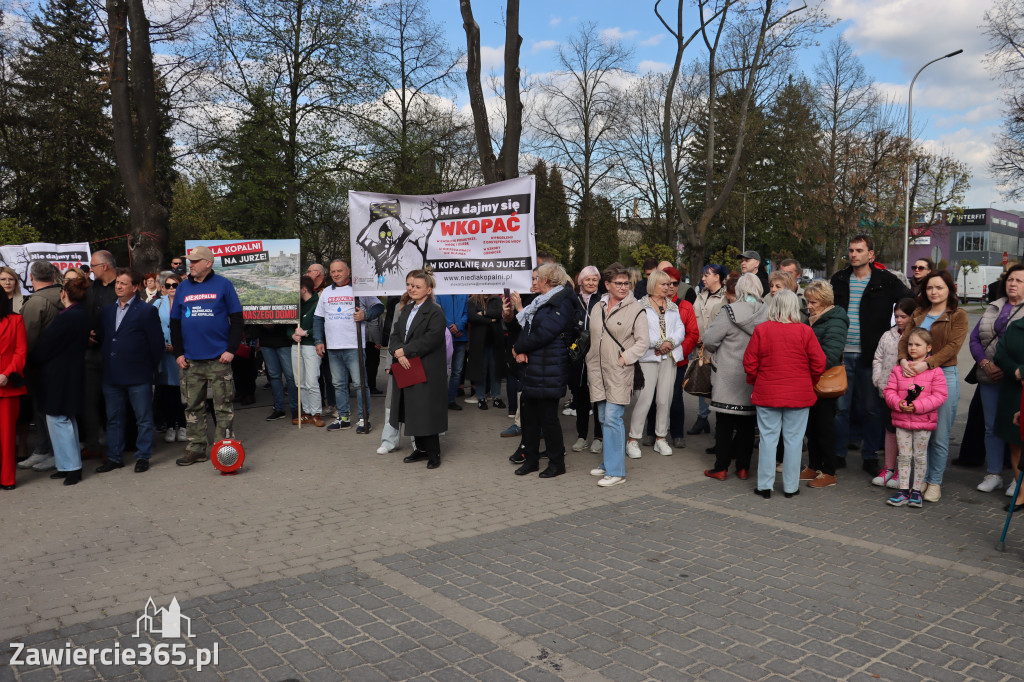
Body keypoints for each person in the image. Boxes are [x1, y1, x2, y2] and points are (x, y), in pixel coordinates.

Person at [831, 234, 912, 476]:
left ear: (871, 255)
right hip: (843, 354)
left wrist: (899, 334)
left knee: (871, 409)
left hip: (871, 355)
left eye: (859, 250)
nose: (853, 254)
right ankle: (838, 454)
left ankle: (869, 457)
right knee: (841, 409)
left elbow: (910, 303)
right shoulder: (839, 279)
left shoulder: (885, 281)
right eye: (851, 250)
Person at [745, 290, 825, 498]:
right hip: (799, 394)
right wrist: (811, 381)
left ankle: (765, 485)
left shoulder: (762, 330)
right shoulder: (805, 331)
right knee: (794, 440)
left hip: (767, 392)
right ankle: (790, 486)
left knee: (768, 439)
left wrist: (756, 380)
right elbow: (819, 363)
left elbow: (750, 362)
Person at [170, 245, 245, 466]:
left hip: (218, 359)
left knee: (223, 405)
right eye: (189, 261)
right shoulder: (183, 287)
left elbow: (237, 320)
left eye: (194, 261)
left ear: (208, 263)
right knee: (193, 406)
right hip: (191, 360)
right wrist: (178, 353)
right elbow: (175, 323)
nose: (190, 265)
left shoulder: (224, 285)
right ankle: (196, 448)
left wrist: (231, 350)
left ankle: (223, 449)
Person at [897, 270, 966, 503]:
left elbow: (953, 347)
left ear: (949, 290)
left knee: (939, 435)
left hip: (943, 374)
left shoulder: (958, 315)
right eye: (929, 288)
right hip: (913, 374)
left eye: (939, 287)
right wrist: (903, 360)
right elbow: (905, 341)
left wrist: (927, 364)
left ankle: (934, 482)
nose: (934, 292)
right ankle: (920, 480)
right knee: (919, 430)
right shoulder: (918, 312)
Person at [504, 263, 577, 478]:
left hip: (550, 368)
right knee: (529, 417)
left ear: (546, 280)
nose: (533, 282)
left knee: (548, 418)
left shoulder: (561, 301)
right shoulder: (539, 301)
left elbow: (545, 333)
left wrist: (519, 347)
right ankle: (531, 460)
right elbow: (526, 328)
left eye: (536, 278)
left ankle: (557, 462)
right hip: (535, 367)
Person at [95, 269, 163, 474]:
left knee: (143, 418)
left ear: (135, 287)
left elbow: (156, 344)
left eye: (124, 283)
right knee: (114, 418)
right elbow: (106, 338)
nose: (118, 286)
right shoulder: (107, 311)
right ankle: (115, 457)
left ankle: (143, 456)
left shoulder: (146, 311)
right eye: (117, 282)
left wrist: (146, 367)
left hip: (138, 374)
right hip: (112, 374)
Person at [586, 263, 647, 487]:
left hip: (620, 372)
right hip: (597, 371)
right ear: (608, 285)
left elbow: (643, 342)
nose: (623, 287)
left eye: (626, 283)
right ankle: (608, 463)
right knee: (603, 418)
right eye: (618, 283)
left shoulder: (636, 309)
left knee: (613, 418)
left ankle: (617, 472)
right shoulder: (598, 306)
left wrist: (625, 358)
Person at [703, 273, 766, 481]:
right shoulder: (768, 312)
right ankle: (743, 468)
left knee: (724, 423)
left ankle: (721, 467)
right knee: (748, 425)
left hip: (728, 373)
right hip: (753, 374)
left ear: (738, 290)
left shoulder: (729, 310)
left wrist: (717, 351)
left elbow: (710, 339)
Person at [29, 277, 91, 485]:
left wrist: (31, 360)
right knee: (64, 419)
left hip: (59, 374)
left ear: (64, 293)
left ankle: (72, 466)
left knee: (59, 420)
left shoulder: (69, 317)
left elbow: (47, 346)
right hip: (67, 372)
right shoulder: (77, 314)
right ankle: (66, 465)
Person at [969, 264, 1024, 494]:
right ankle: (994, 473)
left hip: (1016, 381)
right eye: (1010, 279)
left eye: (1019, 281)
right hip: (989, 377)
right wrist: (985, 364)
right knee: (991, 427)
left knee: (1016, 430)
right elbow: (974, 339)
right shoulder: (994, 306)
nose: (1012, 283)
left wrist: (1013, 369)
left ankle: (1017, 479)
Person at [313, 259, 384, 433]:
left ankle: (363, 418)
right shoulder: (326, 293)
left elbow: (379, 306)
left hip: (354, 346)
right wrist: (318, 340)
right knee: (338, 384)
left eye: (339, 271)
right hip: (333, 347)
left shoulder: (359, 290)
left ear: (348, 271)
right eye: (333, 271)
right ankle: (343, 417)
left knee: (360, 384)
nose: (336, 274)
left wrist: (365, 315)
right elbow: (318, 318)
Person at [390, 270, 448, 470]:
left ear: (429, 290)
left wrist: (404, 351)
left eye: (417, 287)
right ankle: (421, 450)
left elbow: (431, 339)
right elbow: (396, 334)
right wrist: (398, 352)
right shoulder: (406, 309)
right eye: (411, 286)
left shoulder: (435, 311)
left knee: (426, 410)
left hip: (426, 367)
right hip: (407, 364)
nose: (412, 289)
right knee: (412, 409)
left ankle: (434, 453)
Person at [884, 328, 948, 508]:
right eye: (910, 344)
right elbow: (889, 391)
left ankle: (917, 490)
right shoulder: (898, 370)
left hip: (923, 422)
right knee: (903, 456)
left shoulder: (935, 371)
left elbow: (940, 395)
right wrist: (898, 403)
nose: (913, 348)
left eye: (918, 345)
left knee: (920, 457)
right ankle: (903, 490)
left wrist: (918, 406)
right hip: (902, 420)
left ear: (929, 348)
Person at [626, 269, 686, 458]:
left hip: (669, 358)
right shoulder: (640, 306)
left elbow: (680, 329)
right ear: (653, 285)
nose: (668, 287)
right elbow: (638, 331)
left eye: (669, 284)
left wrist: (670, 344)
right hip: (648, 357)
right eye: (664, 284)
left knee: (664, 399)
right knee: (644, 399)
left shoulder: (673, 307)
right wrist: (659, 344)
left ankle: (661, 438)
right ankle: (633, 439)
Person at [800, 280, 849, 489]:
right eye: (807, 301)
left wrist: (805, 366)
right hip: (810, 379)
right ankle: (813, 465)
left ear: (825, 301)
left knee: (824, 427)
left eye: (813, 302)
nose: (809, 306)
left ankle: (829, 472)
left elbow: (830, 354)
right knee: (811, 427)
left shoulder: (836, 320)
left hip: (824, 380)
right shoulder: (811, 319)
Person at [17, 260, 64, 472]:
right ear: (54, 276)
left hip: (40, 365)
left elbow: (26, 338)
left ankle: (51, 452)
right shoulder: (64, 295)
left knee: (45, 410)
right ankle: (44, 449)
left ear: (32, 278)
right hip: (60, 362)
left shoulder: (36, 302)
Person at [870, 297, 918, 488]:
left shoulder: (916, 338)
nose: (899, 320)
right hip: (886, 391)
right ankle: (889, 467)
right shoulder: (887, 336)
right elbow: (878, 358)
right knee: (889, 429)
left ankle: (902, 469)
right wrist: (878, 379)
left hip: (906, 394)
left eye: (903, 317)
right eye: (896, 316)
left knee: (903, 431)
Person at [689, 263, 728, 436]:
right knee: (702, 380)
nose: (703, 278)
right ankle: (702, 418)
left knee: (718, 385)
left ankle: (721, 421)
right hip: (700, 347)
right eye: (703, 275)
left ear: (717, 277)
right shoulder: (701, 295)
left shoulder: (725, 297)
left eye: (707, 275)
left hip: (718, 348)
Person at [569, 266, 604, 453]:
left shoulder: (603, 300)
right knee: (581, 399)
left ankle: (599, 437)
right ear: (580, 281)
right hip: (578, 357)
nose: (591, 283)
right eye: (587, 279)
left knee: (599, 399)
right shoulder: (573, 301)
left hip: (598, 355)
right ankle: (581, 435)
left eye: (595, 280)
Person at [154, 273, 186, 442]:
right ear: (163, 288)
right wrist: (160, 344)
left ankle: (183, 425)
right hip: (164, 355)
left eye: (175, 285)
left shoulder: (187, 302)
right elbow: (152, 327)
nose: (172, 288)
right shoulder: (158, 303)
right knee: (167, 392)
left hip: (182, 354)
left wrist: (180, 347)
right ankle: (169, 426)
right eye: (168, 285)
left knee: (183, 392)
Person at [0, 294, 27, 490]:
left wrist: (7, 374)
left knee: (8, 436)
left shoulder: (16, 320)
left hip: (6, 387)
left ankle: (7, 478)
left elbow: (21, 351)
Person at [291, 276, 323, 427]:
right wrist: (292, 334)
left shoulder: (318, 303)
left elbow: (322, 326)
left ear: (304, 289)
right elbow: (288, 326)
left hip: (310, 346)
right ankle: (306, 412)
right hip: (296, 346)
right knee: (299, 382)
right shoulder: (295, 305)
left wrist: (306, 333)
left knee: (311, 381)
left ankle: (316, 413)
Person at [466, 293, 505, 410]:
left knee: (495, 370)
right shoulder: (473, 300)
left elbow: (500, 313)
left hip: (495, 342)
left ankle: (496, 397)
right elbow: (472, 317)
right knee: (480, 371)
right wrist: (490, 320)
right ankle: (481, 398)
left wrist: (483, 313)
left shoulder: (496, 299)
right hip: (479, 342)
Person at [257, 323, 298, 422]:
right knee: (274, 376)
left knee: (290, 376)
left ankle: (295, 409)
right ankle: (279, 408)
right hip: (266, 340)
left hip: (284, 340)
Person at [437, 294, 469, 411]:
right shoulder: (440, 294)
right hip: (444, 337)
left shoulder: (464, 295)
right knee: (441, 370)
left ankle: (451, 400)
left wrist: (459, 327)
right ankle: (439, 399)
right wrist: (452, 327)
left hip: (461, 337)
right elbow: (439, 312)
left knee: (457, 371)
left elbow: (466, 313)